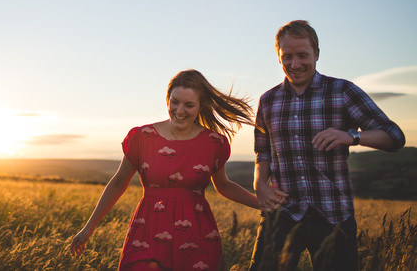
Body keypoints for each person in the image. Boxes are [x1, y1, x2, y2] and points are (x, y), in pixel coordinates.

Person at [250, 20, 406, 271]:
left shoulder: (342, 91)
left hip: (333, 215)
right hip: (282, 214)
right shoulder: (268, 100)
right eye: (287, 56)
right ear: (278, 57)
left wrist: (352, 136)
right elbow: (263, 151)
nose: (295, 64)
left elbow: (394, 136)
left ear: (317, 54)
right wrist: (259, 184)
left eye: (303, 55)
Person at [70, 69, 260, 270]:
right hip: (147, 232)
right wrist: (88, 228)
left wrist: (263, 205)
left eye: (189, 105)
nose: (179, 110)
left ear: (200, 106)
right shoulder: (142, 137)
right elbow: (118, 183)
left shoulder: (214, 143)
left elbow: (224, 186)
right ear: (167, 100)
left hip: (197, 235)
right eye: (174, 102)